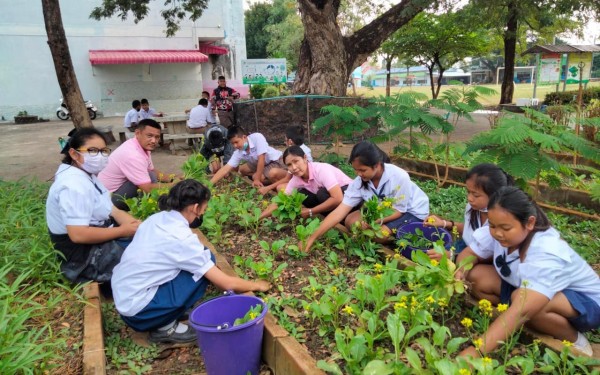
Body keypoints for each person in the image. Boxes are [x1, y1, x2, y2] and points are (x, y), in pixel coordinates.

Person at [112, 180, 270, 343]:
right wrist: (256, 285)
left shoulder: (157, 219)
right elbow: (226, 283)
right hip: (141, 313)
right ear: (195, 208)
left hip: (125, 297)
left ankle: (171, 310)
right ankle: (165, 328)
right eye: (204, 209)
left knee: (206, 258)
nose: (203, 213)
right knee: (203, 273)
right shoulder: (181, 239)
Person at [456, 186, 600, 358]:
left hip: (585, 303)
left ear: (529, 223)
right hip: (528, 289)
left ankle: (576, 340)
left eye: (506, 228)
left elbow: (522, 309)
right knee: (476, 277)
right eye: (493, 226)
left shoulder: (546, 250)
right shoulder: (499, 230)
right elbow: (470, 254)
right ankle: (514, 321)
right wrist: (460, 270)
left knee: (528, 308)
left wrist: (476, 352)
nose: (497, 233)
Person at [46, 128, 140, 285]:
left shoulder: (86, 175)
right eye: (92, 151)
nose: (100, 156)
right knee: (146, 261)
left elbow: (113, 210)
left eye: (104, 151)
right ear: (74, 154)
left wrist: (136, 226)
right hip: (82, 258)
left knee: (146, 243)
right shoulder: (73, 185)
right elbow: (78, 235)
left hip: (98, 235)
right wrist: (123, 231)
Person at [303, 141, 429, 252]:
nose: (359, 174)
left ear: (377, 165)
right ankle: (389, 230)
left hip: (411, 211)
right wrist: (312, 237)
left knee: (379, 235)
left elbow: (399, 211)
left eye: (362, 170)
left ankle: (400, 236)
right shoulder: (359, 182)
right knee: (350, 221)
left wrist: (373, 222)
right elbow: (339, 212)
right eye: (356, 170)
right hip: (384, 209)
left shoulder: (398, 176)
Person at [423, 163, 514, 260]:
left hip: (481, 259)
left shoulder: (501, 221)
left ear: (494, 196)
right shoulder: (472, 208)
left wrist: (452, 256)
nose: (469, 198)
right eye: (468, 192)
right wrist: (444, 223)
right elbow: (468, 230)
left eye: (476, 195)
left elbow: (492, 255)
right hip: (463, 246)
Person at [99, 119, 179, 210]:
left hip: (118, 189)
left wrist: (172, 178)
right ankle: (145, 208)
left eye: (157, 137)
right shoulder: (133, 155)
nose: (153, 141)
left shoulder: (142, 146)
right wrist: (175, 185)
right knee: (146, 182)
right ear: (137, 133)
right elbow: (147, 188)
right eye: (149, 136)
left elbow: (151, 170)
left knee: (150, 174)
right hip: (108, 199)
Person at [259, 146, 353, 220]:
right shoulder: (296, 179)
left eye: (296, 161)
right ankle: (328, 216)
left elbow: (338, 198)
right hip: (335, 199)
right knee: (303, 195)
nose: (294, 167)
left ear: (305, 158)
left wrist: (311, 211)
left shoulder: (321, 170)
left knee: (321, 194)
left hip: (350, 195)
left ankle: (341, 220)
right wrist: (258, 218)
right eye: (289, 165)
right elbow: (280, 201)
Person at [209, 126, 288, 188]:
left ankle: (270, 181)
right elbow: (225, 168)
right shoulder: (238, 152)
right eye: (232, 144)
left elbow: (262, 158)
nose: (235, 146)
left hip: (275, 160)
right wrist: (210, 183)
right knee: (243, 169)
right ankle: (263, 178)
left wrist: (257, 179)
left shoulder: (257, 137)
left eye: (236, 142)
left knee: (256, 177)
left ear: (244, 137)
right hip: (261, 164)